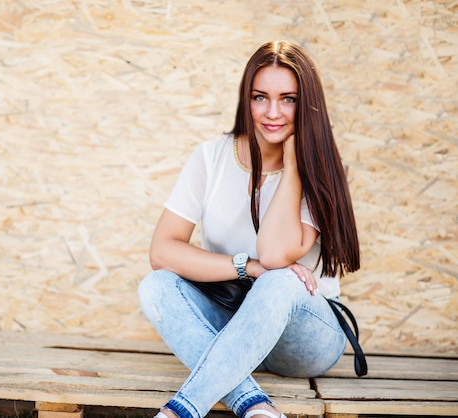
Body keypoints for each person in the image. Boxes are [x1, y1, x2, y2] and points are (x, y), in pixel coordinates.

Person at [138, 40, 360, 418]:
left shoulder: (321, 167)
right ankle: (255, 406)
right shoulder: (210, 157)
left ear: (306, 104)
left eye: (288, 99)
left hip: (306, 336)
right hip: (235, 325)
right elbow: (163, 251)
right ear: (247, 99)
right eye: (261, 97)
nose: (273, 112)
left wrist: (292, 168)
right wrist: (247, 266)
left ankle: (180, 411)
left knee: (280, 280)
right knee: (155, 286)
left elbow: (275, 255)